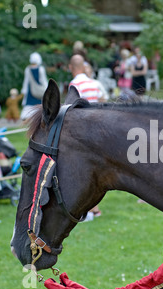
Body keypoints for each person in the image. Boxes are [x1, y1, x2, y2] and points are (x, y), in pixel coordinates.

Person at [68, 54, 102, 220]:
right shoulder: (93, 83)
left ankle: (89, 209)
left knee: (85, 169)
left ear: (71, 67)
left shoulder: (75, 84)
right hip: (96, 127)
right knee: (95, 169)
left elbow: (72, 108)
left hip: (83, 129)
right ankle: (94, 207)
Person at [21, 52, 48, 120]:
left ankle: (27, 117)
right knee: (39, 105)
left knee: (29, 106)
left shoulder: (28, 69)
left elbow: (26, 81)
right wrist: (47, 89)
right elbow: (43, 81)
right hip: (38, 91)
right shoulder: (41, 69)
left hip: (30, 91)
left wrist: (24, 91)